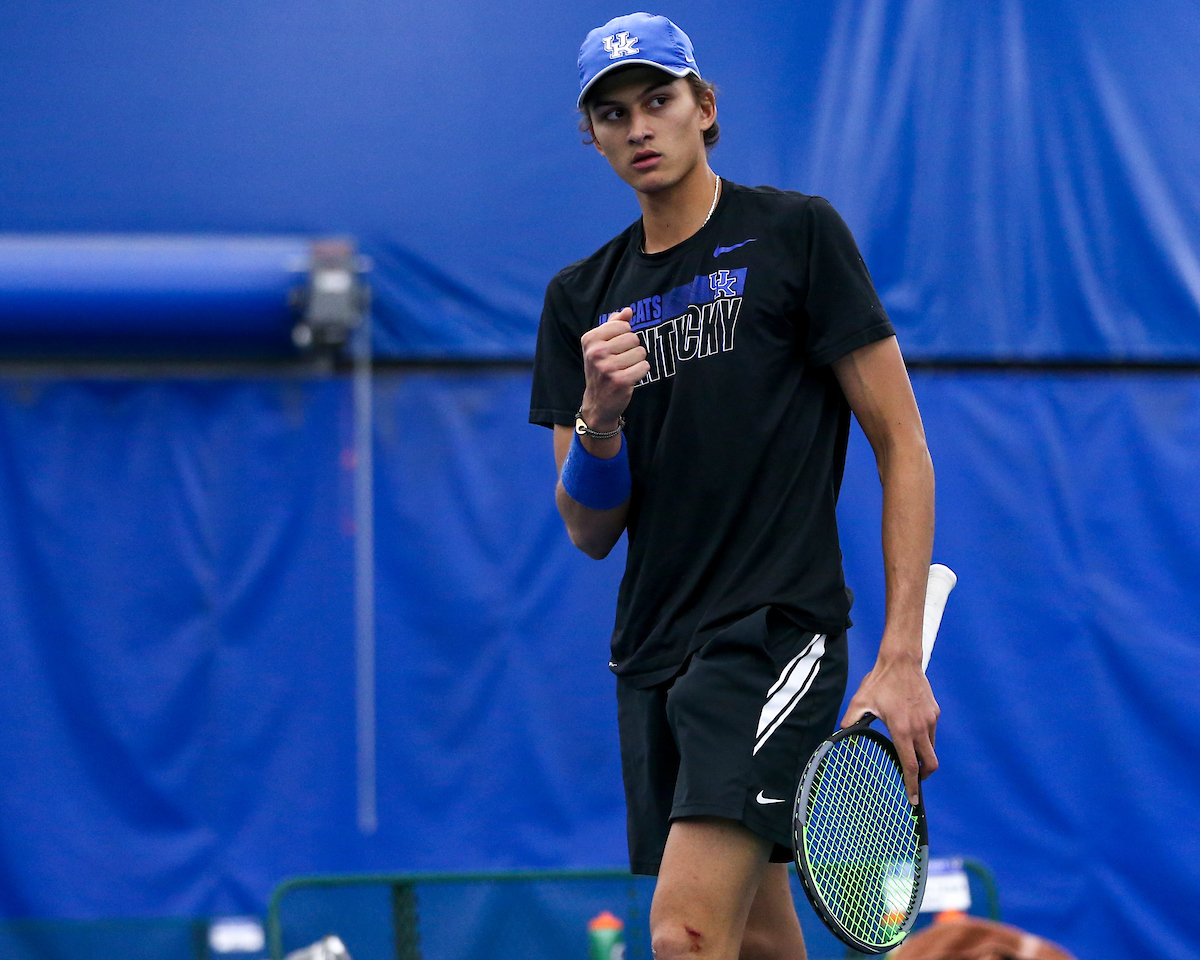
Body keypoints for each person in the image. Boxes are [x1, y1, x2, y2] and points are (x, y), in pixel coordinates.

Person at [529, 13, 939, 960]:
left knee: (683, 936)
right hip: (649, 657)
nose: (639, 126)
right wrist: (599, 415)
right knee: (755, 941)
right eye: (612, 113)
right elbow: (588, 528)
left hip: (771, 634)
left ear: (705, 107)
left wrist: (900, 655)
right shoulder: (578, 299)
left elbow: (902, 442)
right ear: (591, 135)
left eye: (659, 100)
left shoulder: (796, 235)